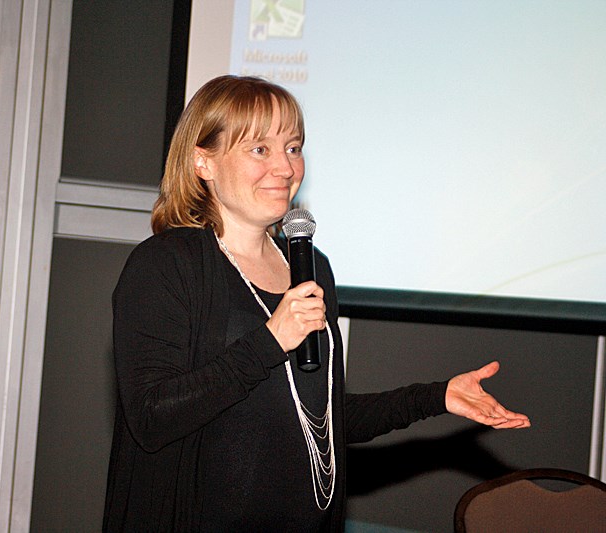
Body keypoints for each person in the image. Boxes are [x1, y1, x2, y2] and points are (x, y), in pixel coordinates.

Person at [102, 75, 530, 532]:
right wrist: (270, 341)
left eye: (293, 147)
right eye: (259, 150)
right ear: (203, 162)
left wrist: (434, 397)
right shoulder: (166, 265)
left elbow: (319, 418)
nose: (285, 169)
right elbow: (151, 417)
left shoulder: (309, 266)